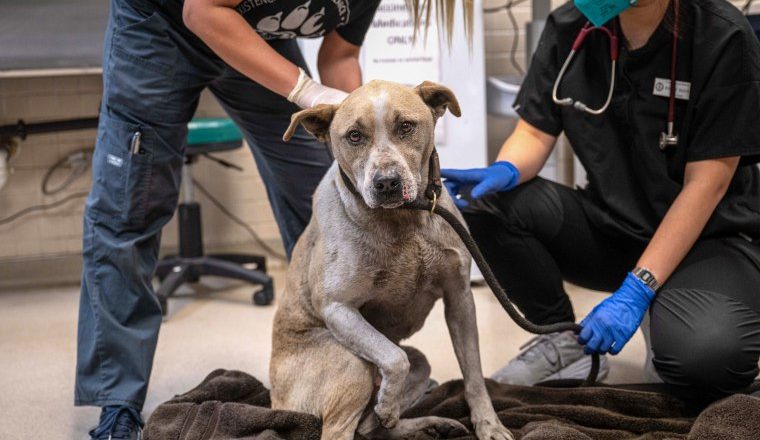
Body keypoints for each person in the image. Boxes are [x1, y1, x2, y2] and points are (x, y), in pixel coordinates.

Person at [76, 0, 382, 438]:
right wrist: (305, 91)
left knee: (326, 189)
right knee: (130, 206)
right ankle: (117, 404)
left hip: (252, 37)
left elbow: (340, 57)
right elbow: (201, 11)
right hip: (161, 27)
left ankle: (361, 369)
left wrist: (363, 138)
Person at [443, 0, 760, 403]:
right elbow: (536, 133)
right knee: (482, 204)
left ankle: (669, 304)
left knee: (706, 361)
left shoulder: (721, 34)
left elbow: (707, 185)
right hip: (614, 226)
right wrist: (505, 169)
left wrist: (638, 290)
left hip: (710, 241)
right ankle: (564, 345)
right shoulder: (572, 26)